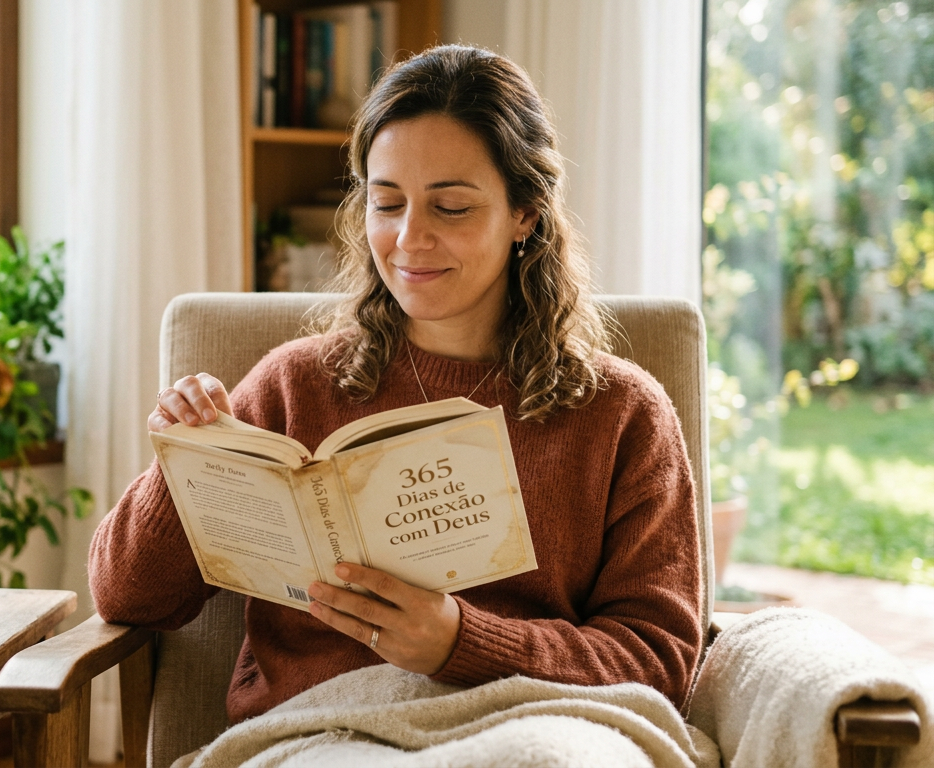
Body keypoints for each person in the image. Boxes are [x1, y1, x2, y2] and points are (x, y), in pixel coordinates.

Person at [89, 45, 702, 725]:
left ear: (524, 213)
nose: (410, 239)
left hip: (531, 728)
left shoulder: (621, 413)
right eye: (387, 203)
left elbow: (661, 659)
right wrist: (182, 466)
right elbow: (126, 598)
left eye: (451, 208)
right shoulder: (294, 385)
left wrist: (462, 642)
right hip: (321, 731)